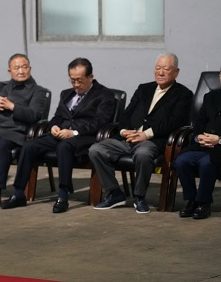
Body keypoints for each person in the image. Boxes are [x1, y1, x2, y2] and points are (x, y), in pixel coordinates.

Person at [0, 58, 115, 213]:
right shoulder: (66, 94)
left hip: (84, 137)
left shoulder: (104, 95)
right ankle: (19, 193)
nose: (76, 85)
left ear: (90, 77)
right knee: (29, 146)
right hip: (60, 133)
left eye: (80, 81)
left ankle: (63, 195)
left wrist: (73, 132)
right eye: (72, 80)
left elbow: (100, 122)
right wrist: (53, 126)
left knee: (64, 146)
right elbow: (57, 117)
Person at [89, 53, 193, 214]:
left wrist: (146, 134)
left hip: (153, 141)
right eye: (158, 68)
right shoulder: (144, 88)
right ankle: (114, 193)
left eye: (166, 69)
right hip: (128, 139)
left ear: (176, 72)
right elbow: (126, 114)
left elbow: (175, 122)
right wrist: (124, 131)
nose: (160, 72)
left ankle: (139, 196)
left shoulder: (183, 94)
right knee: (96, 150)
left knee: (143, 154)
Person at [0, 53, 47, 204]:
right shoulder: (2, 86)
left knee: (1, 145)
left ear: (30, 69)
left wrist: (12, 106)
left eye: (24, 67)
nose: (21, 71)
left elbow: (34, 115)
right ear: (9, 71)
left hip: (15, 132)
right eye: (16, 68)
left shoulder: (38, 91)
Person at [173, 70, 221, 219]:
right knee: (182, 160)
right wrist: (199, 136)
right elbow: (199, 121)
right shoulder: (211, 97)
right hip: (203, 144)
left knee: (208, 163)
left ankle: (204, 203)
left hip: (219, 146)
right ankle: (191, 200)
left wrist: (218, 139)